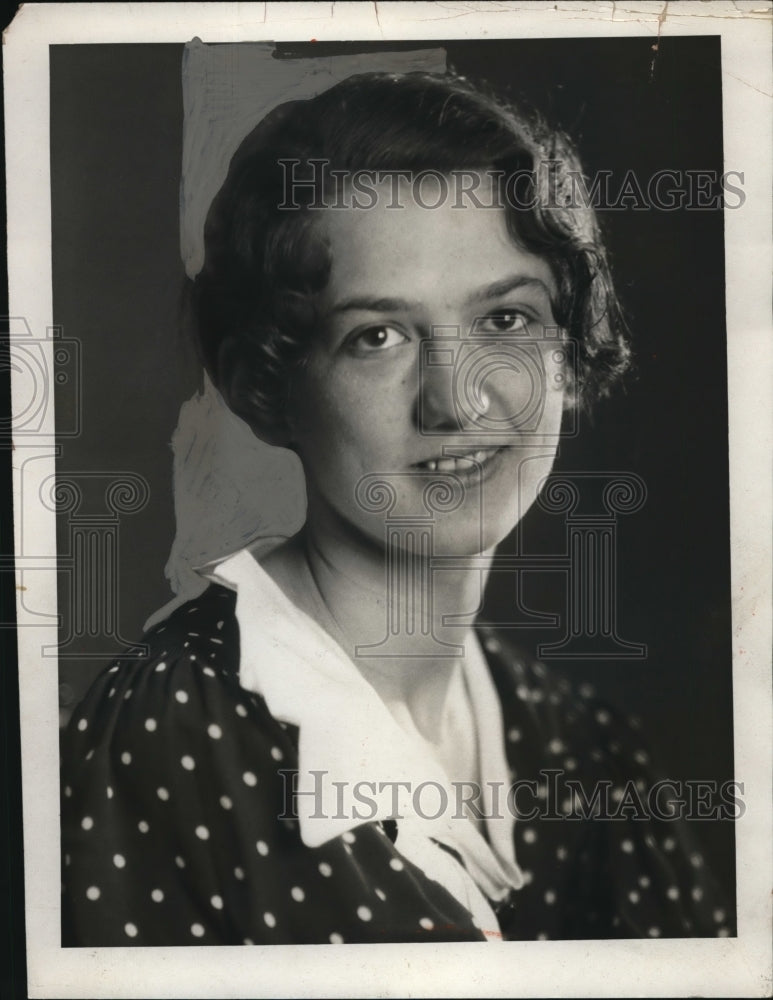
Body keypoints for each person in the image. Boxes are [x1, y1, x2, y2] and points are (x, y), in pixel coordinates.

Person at [61, 70, 732, 945]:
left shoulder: (580, 744)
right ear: (266, 384)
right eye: (377, 336)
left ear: (567, 351)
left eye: (505, 320)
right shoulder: (165, 732)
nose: (456, 402)